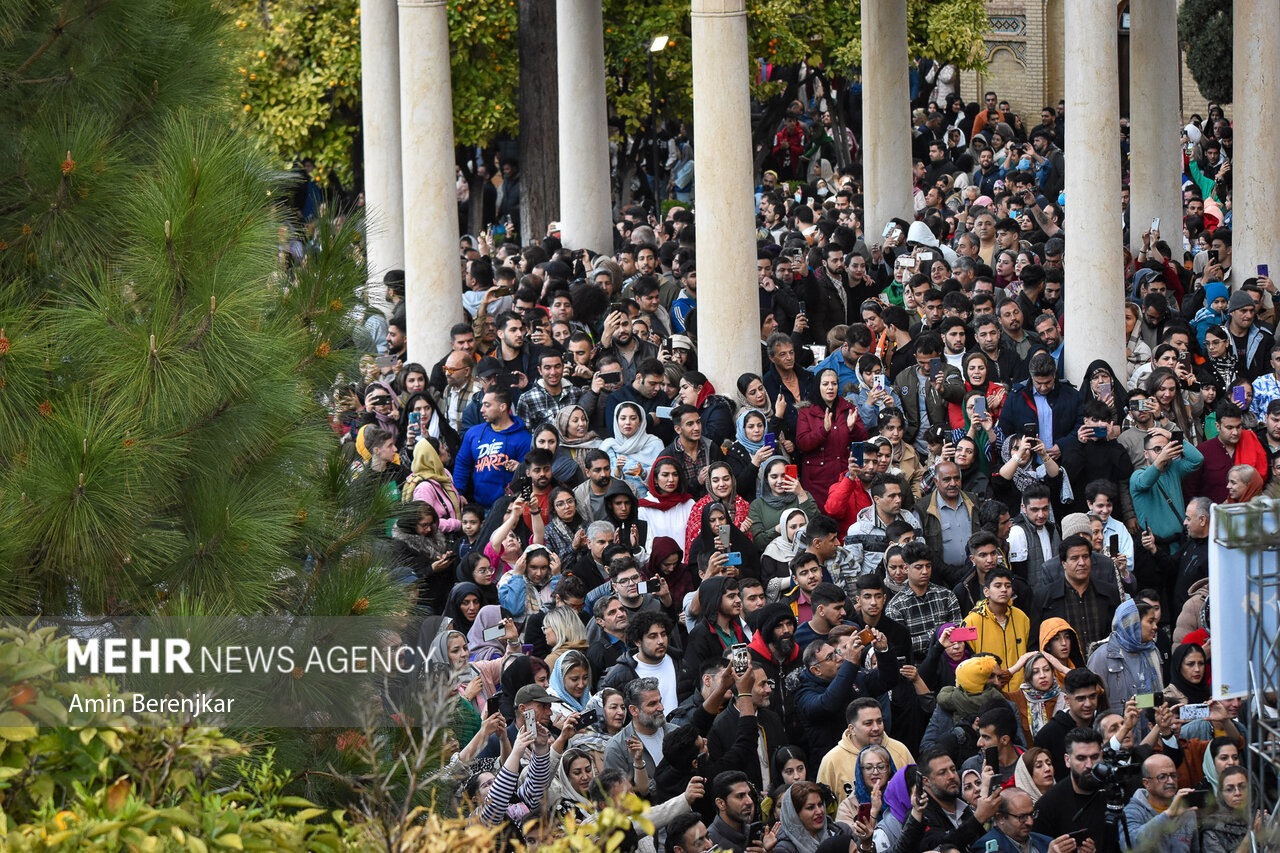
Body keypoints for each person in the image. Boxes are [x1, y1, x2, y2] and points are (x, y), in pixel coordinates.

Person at [817, 698, 915, 805]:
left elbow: (917, 791)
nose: (876, 728)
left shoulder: (900, 750)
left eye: (879, 721)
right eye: (868, 723)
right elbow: (822, 805)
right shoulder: (832, 760)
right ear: (852, 729)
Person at [1030, 728, 1112, 850]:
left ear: (1102, 756)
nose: (1089, 765)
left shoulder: (1113, 792)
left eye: (1094, 757)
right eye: (1081, 758)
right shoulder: (1048, 805)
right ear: (1067, 760)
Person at [796, 368, 868, 505]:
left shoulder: (848, 408)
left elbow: (863, 441)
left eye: (834, 384)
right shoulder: (806, 412)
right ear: (818, 386)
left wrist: (853, 429)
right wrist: (823, 430)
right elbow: (802, 443)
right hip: (816, 481)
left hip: (844, 476)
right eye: (825, 384)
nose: (830, 388)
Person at [883, 541, 963, 660]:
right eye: (919, 567)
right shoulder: (896, 606)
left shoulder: (946, 595)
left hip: (948, 662)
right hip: (916, 666)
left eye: (928, 566)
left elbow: (958, 634)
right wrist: (938, 635)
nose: (925, 571)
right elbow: (902, 645)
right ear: (906, 568)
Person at [453, 387, 533, 507]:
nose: (482, 410)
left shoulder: (524, 438)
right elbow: (462, 464)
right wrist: (458, 493)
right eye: (482, 405)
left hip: (510, 509)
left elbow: (529, 475)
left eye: (487, 405)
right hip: (479, 506)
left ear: (502, 407)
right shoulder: (473, 433)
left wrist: (526, 504)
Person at [1088, 599, 1164, 725]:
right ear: (1133, 623)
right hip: (1118, 734)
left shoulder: (1153, 651)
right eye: (1150, 621)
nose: (1155, 627)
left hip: (1151, 731)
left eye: (1155, 622)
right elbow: (1093, 702)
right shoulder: (1102, 656)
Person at [1032, 668, 1102, 779]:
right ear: (1067, 700)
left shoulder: (1104, 726)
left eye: (1092, 697)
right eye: (1081, 699)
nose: (1088, 704)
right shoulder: (1048, 735)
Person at [749, 457, 820, 554]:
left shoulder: (802, 495)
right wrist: (781, 527)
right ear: (766, 479)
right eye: (774, 477)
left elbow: (818, 526)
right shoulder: (757, 505)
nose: (780, 481)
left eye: (784, 475)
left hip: (805, 555)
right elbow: (759, 542)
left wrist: (800, 494)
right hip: (773, 559)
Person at [600, 401, 666, 499]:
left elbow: (664, 476)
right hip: (617, 504)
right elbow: (600, 479)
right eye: (623, 418)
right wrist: (617, 471)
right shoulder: (608, 446)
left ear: (640, 421)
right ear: (616, 421)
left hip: (648, 504)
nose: (627, 422)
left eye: (633, 418)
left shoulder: (654, 443)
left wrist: (643, 473)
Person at [972, 788, 1066, 853]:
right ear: (1001, 818)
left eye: (1032, 814)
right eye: (1022, 817)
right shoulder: (987, 847)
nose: (1030, 822)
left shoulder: (1047, 842)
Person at [772, 781, 852, 853]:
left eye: (820, 804)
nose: (819, 811)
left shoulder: (842, 830)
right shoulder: (785, 849)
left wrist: (864, 845)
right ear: (795, 814)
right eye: (810, 808)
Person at [1199, 766, 1261, 853]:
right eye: (1229, 789)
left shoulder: (1261, 819)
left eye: (1242, 787)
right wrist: (1251, 835)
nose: (1237, 793)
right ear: (1221, 794)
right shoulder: (1213, 829)